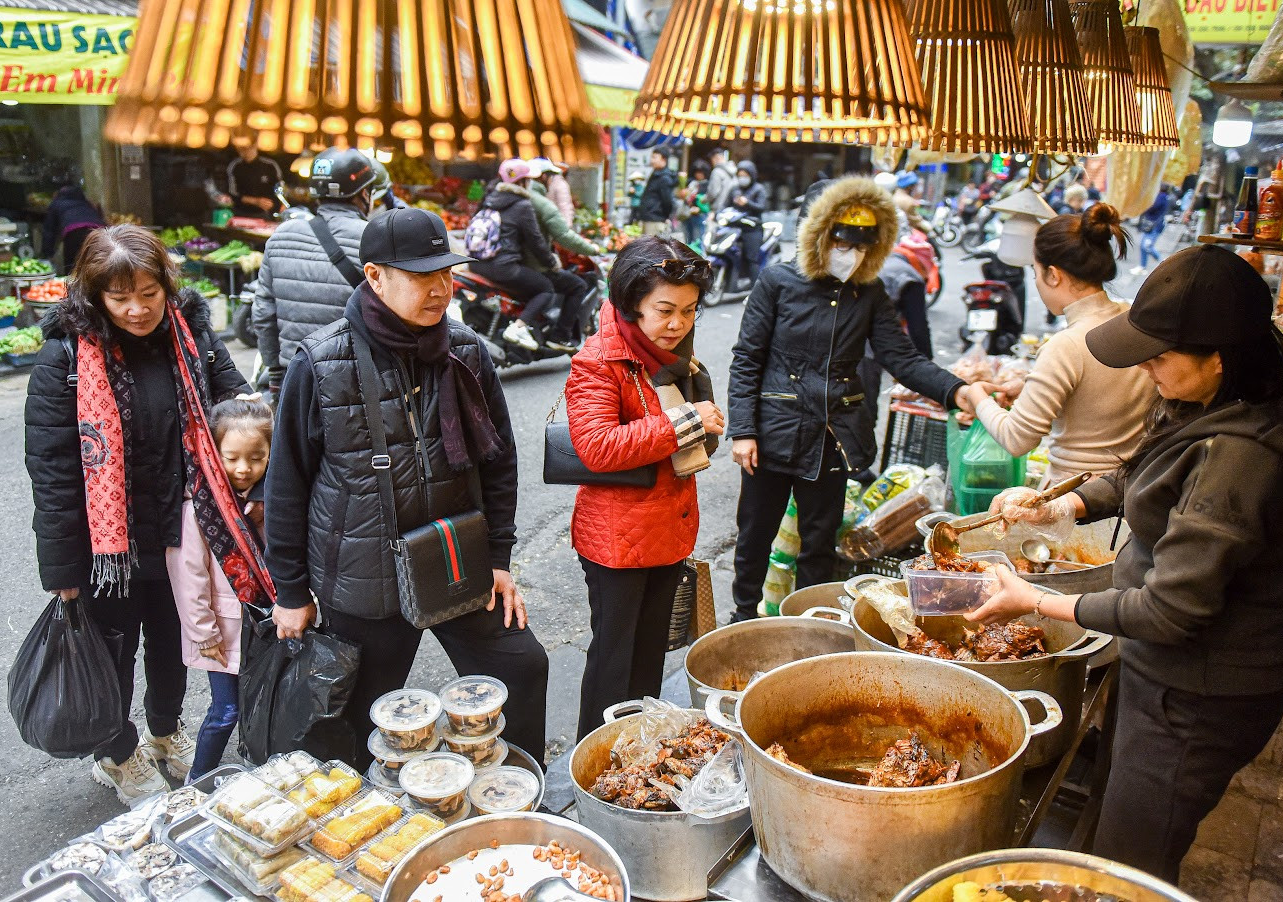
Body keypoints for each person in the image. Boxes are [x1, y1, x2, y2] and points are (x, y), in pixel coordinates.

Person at [967, 244, 1283, 883]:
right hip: (1168, 679)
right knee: (1116, 827)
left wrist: (1034, 600)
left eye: (1160, 355)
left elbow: (1171, 609)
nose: (1145, 367)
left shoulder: (1242, 459)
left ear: (1219, 357)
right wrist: (1058, 504)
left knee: (1130, 869)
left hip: (1197, 699)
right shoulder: (1223, 404)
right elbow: (1148, 475)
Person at [265, 207, 549, 767]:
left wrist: (498, 559)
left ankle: (514, 793)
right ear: (375, 276)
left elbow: (499, 462)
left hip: (453, 556)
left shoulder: (464, 352)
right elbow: (287, 484)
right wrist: (291, 592)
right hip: (364, 575)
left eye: (446, 273)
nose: (441, 288)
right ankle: (369, 831)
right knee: (359, 722)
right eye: (423, 276)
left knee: (523, 666)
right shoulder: (321, 363)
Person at [25, 225, 258, 803]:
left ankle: (163, 730)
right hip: (108, 546)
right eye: (120, 296)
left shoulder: (192, 334)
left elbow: (238, 403)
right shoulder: (66, 359)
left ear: (166, 286)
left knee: (172, 639)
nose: (137, 309)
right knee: (112, 650)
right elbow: (53, 471)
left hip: (183, 531)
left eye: (149, 293)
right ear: (94, 295)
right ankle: (117, 752)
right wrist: (63, 572)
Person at [728, 177, 973, 622]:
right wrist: (743, 429)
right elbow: (748, 358)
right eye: (840, 240)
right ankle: (743, 617)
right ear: (818, 235)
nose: (848, 251)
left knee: (818, 542)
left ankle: (809, 625)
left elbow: (901, 357)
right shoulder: (777, 281)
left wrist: (956, 390)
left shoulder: (870, 293)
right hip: (773, 430)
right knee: (754, 535)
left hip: (833, 437)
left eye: (860, 244)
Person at [565, 237, 723, 735]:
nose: (678, 323)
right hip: (616, 542)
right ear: (633, 301)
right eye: (665, 310)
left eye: (690, 310)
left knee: (650, 653)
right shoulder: (599, 360)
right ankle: (597, 757)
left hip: (666, 533)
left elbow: (689, 452)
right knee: (613, 661)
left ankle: (641, 746)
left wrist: (701, 425)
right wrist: (687, 423)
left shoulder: (677, 358)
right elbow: (598, 446)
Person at [962, 205, 1154, 483]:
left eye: (1035, 272)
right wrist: (1031, 388)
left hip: (1073, 499)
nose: (1037, 283)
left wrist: (977, 396)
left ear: (1053, 274)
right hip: (1132, 491)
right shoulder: (1135, 320)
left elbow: (1016, 439)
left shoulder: (1067, 345)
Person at [166, 395, 272, 782]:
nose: (243, 469)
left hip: (261, 626)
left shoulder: (267, 501)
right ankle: (196, 783)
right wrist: (202, 633)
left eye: (256, 458)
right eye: (232, 458)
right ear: (213, 452)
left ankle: (254, 773)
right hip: (220, 632)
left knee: (258, 704)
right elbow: (188, 575)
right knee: (226, 710)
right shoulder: (199, 508)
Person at [253, 148, 376, 397]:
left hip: (295, 375)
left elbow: (263, 313)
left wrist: (276, 372)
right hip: (353, 380)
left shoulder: (281, 236)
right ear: (364, 193)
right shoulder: (373, 238)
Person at [469, 159, 565, 352]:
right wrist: (551, 262)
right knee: (545, 288)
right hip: (504, 268)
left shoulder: (490, 198)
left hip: (476, 264)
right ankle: (519, 327)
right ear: (523, 182)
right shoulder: (522, 204)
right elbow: (536, 241)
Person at [525, 158, 603, 352]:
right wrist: (591, 249)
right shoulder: (541, 203)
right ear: (544, 177)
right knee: (578, 285)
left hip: (513, 263)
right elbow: (564, 234)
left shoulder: (516, 198)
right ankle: (560, 336)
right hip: (533, 265)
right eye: (550, 176)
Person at [41, 183, 105, 275]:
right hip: (97, 231)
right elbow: (100, 217)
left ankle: (72, 288)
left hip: (73, 232)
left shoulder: (56, 203)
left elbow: (49, 230)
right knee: (96, 265)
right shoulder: (86, 203)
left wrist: (47, 253)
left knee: (72, 268)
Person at [728, 161, 768, 289]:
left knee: (752, 259)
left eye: (745, 175)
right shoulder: (735, 189)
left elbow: (762, 207)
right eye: (740, 175)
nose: (742, 178)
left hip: (752, 229)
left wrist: (747, 203)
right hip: (735, 227)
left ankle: (755, 289)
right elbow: (725, 205)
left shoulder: (759, 189)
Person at [224, 141, 285, 219]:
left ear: (255, 146)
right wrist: (255, 201)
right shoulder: (235, 166)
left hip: (265, 213)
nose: (246, 151)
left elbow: (280, 189)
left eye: (249, 148)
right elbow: (232, 194)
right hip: (239, 212)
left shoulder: (270, 165)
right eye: (242, 149)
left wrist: (277, 203)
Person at [635, 147, 679, 236]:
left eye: (655, 157)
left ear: (664, 159)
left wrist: (665, 216)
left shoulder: (664, 178)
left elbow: (667, 201)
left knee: (651, 248)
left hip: (655, 220)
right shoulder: (655, 174)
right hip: (648, 218)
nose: (652, 160)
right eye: (651, 157)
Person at [1134, 185, 1171, 273]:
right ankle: (1143, 266)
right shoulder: (1165, 197)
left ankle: (1162, 262)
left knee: (1146, 246)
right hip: (1154, 225)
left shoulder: (1161, 197)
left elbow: (1152, 207)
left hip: (1154, 225)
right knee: (1144, 246)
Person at [681, 159, 711, 251]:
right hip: (688, 214)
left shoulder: (708, 185)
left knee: (698, 240)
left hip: (700, 215)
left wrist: (700, 209)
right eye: (697, 172)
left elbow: (709, 200)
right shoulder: (691, 183)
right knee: (687, 240)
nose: (698, 175)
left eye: (701, 172)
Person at [543, 159, 577, 226]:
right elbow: (564, 206)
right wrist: (567, 227)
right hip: (556, 224)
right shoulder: (560, 184)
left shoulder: (552, 182)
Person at [706, 147, 736, 214]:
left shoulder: (717, 171)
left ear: (715, 158)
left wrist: (705, 199)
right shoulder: (734, 169)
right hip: (732, 208)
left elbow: (713, 192)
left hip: (719, 208)